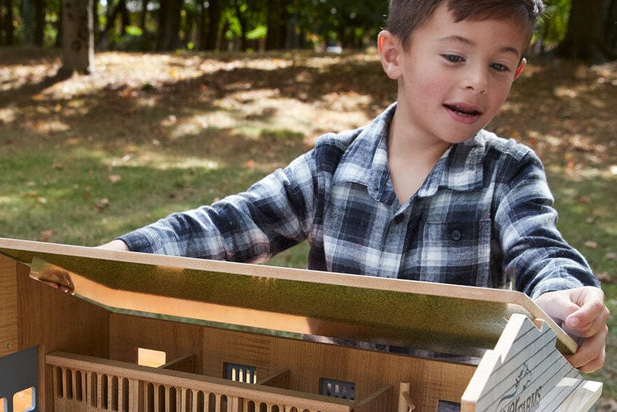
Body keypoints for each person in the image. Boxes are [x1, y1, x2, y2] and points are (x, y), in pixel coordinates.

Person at [100, 0, 608, 372]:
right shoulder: (331, 166)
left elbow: (541, 251)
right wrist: (120, 254)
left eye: (499, 66)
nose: (478, 80)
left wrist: (567, 298)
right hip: (331, 410)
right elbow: (235, 224)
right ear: (394, 55)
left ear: (517, 72)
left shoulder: (508, 172)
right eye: (455, 56)